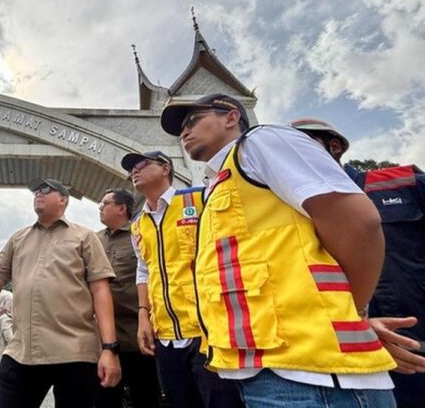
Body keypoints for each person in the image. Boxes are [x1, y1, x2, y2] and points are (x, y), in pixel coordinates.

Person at [161, 93, 397, 407]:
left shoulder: (260, 143)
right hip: (270, 371)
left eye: (192, 120)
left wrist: (352, 311)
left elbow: (358, 223)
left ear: (231, 117)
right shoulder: (220, 184)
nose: (184, 132)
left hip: (312, 379)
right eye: (181, 128)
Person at [290, 118, 425, 407]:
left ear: (334, 146)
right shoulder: (295, 212)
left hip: (416, 332)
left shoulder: (402, 183)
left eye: (301, 145)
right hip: (359, 353)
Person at [0, 178, 121, 408]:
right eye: (36, 190)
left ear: (63, 199)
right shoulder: (19, 239)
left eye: (46, 189)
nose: (38, 193)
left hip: (75, 350)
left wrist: (109, 349)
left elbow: (101, 292)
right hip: (23, 351)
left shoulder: (85, 237)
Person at [121, 152, 242, 408]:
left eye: (141, 164)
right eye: (131, 168)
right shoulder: (137, 224)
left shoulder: (200, 199)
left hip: (208, 329)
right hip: (165, 334)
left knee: (222, 401)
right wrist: (143, 315)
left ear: (165, 168)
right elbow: (144, 270)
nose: (134, 170)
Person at [94, 188, 162, 408]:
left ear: (121, 208)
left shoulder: (139, 234)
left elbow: (152, 275)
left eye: (105, 203)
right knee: (105, 399)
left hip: (137, 336)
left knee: (145, 396)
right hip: (103, 340)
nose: (100, 208)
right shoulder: (94, 240)